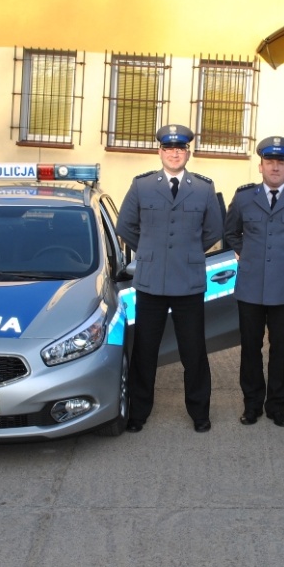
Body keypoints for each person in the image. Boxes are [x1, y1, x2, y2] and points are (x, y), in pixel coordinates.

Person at [116, 124, 223, 433]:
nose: (175, 152)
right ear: (159, 151)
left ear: (188, 152)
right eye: (168, 148)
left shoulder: (203, 187)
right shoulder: (142, 186)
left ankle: (200, 413)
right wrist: (151, 250)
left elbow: (214, 230)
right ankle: (138, 412)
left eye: (181, 148)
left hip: (188, 281)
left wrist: (188, 251)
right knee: (145, 351)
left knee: (194, 352)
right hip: (151, 281)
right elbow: (126, 226)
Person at [224, 136, 284, 427]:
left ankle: (276, 406)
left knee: (281, 350)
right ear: (261, 166)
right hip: (251, 286)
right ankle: (251, 404)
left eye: (281, 162)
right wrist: (247, 253)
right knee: (250, 348)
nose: (275, 167)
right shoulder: (243, 198)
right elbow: (231, 233)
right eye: (270, 162)